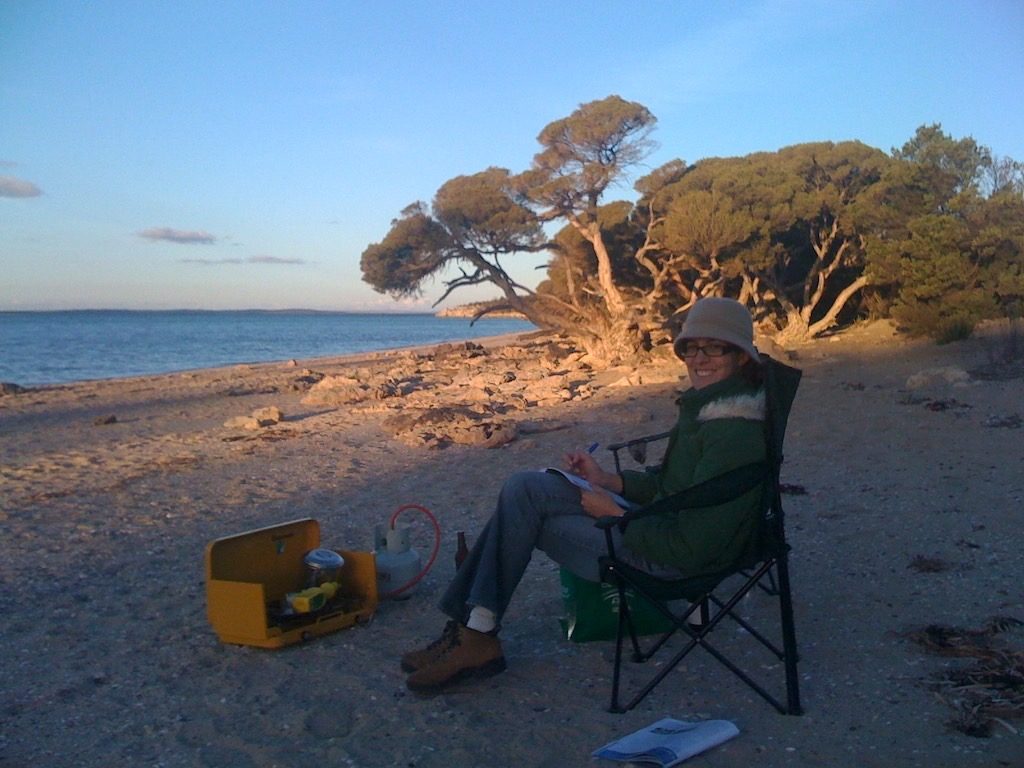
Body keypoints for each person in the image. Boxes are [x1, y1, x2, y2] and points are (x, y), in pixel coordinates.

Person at [401, 297, 768, 693]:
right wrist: (611, 482)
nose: (700, 358)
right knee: (523, 487)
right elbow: (673, 489)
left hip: (669, 561)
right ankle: (472, 630)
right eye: (691, 348)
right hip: (661, 525)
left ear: (741, 357)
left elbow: (690, 549)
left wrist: (614, 515)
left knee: (526, 512)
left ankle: (475, 634)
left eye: (714, 347)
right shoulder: (708, 407)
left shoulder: (732, 432)